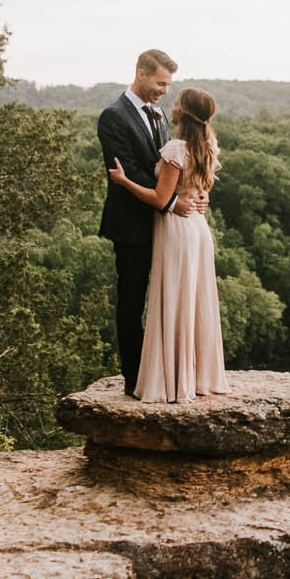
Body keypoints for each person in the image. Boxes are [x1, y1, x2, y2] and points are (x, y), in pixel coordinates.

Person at [108, 85, 228, 400]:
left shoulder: (177, 148)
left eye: (176, 103)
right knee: (194, 299)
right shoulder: (208, 144)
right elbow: (204, 190)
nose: (170, 106)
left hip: (177, 228)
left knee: (175, 299)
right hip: (199, 229)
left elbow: (161, 198)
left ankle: (173, 381)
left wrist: (125, 182)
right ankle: (194, 377)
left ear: (183, 114)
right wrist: (200, 197)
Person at [96, 49, 196, 393]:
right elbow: (128, 170)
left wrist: (188, 192)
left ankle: (164, 370)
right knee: (132, 300)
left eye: (168, 85)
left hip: (163, 223)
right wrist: (169, 200)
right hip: (132, 224)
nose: (163, 91)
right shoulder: (113, 117)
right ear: (141, 73)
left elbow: (166, 165)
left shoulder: (158, 113)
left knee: (167, 298)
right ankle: (135, 378)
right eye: (159, 83)